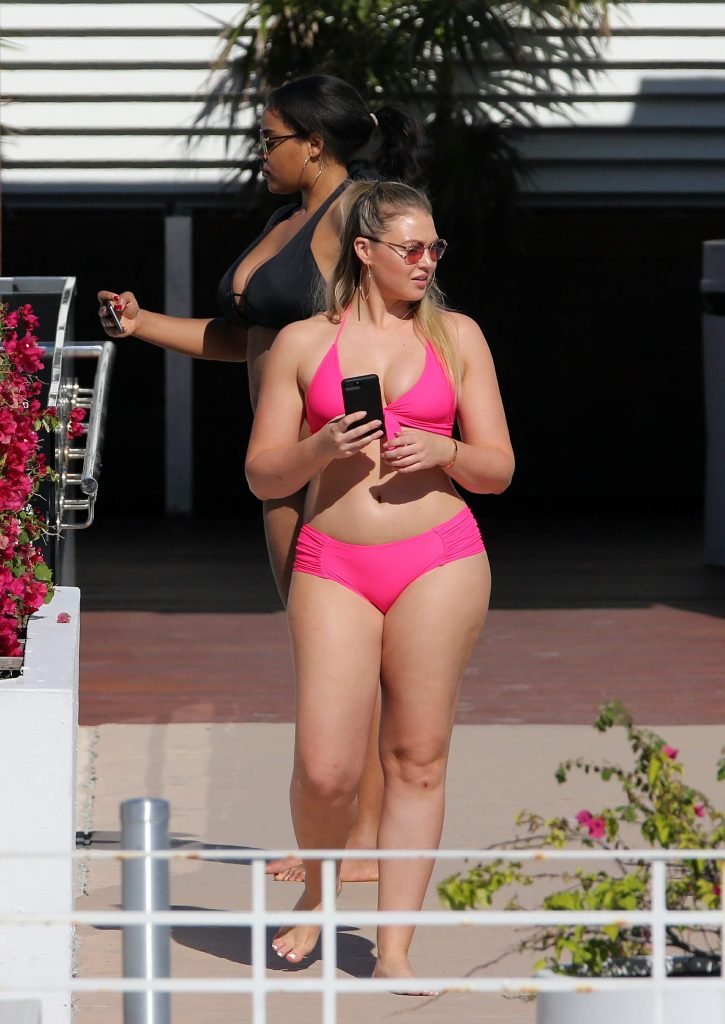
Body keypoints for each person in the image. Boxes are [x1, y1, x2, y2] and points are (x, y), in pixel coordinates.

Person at [96, 75, 421, 884]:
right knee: (324, 655)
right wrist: (141, 324)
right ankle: (340, 832)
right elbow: (244, 340)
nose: (259, 154)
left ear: (314, 143)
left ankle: (361, 840)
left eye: (269, 140)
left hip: (337, 457)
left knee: (352, 658)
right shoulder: (285, 222)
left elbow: (407, 319)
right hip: (282, 459)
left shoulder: (357, 211)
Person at [245, 180, 514, 986]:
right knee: (325, 768)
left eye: (434, 248)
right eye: (411, 248)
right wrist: (321, 446)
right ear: (365, 252)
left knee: (416, 758)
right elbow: (262, 475)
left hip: (440, 558)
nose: (426, 262)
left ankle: (393, 949)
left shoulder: (458, 336)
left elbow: (497, 469)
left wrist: (445, 451)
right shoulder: (301, 343)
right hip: (334, 562)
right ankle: (320, 890)